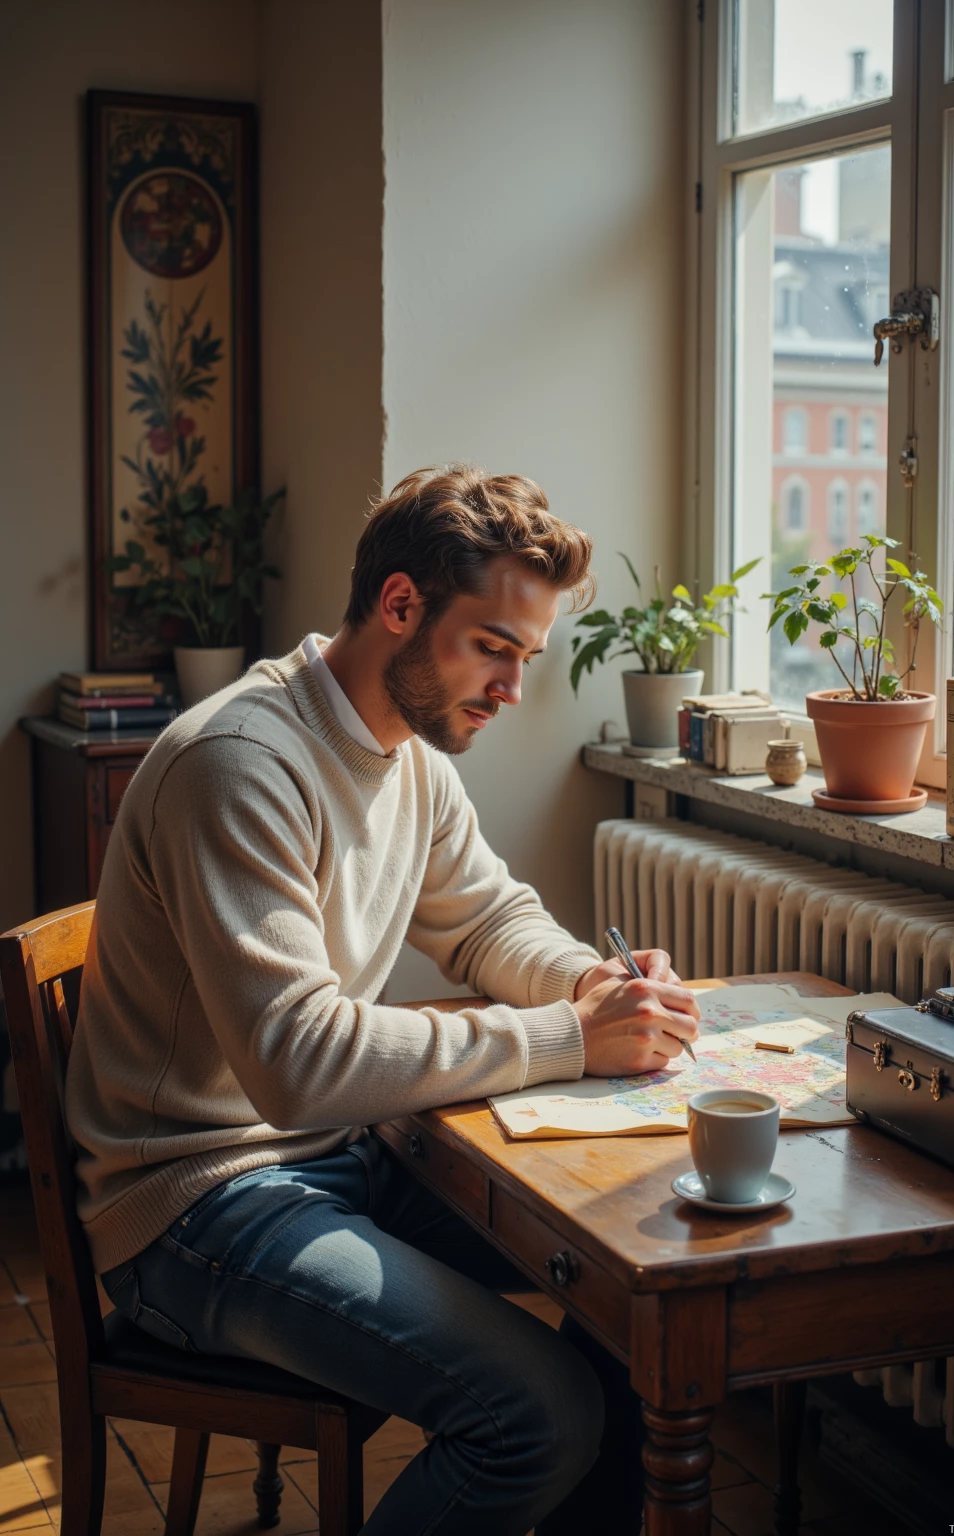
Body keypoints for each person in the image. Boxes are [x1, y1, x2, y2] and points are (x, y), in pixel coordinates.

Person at [67, 464, 701, 1535]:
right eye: (491, 647)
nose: (511, 688)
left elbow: (489, 923)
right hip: (195, 1203)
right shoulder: (238, 762)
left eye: (526, 658)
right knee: (535, 1413)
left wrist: (592, 982)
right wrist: (566, 1039)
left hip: (333, 1160)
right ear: (400, 605)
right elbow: (295, 1061)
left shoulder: (407, 757)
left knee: (634, 1287)